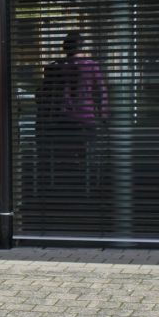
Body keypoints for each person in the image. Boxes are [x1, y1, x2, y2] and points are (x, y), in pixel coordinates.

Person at [36, 31, 108, 200]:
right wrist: (103, 116)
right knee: (87, 146)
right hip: (85, 121)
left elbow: (43, 94)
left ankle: (62, 179)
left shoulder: (54, 67)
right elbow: (102, 93)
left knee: (60, 148)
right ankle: (85, 178)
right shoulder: (91, 66)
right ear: (82, 46)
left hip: (61, 121)